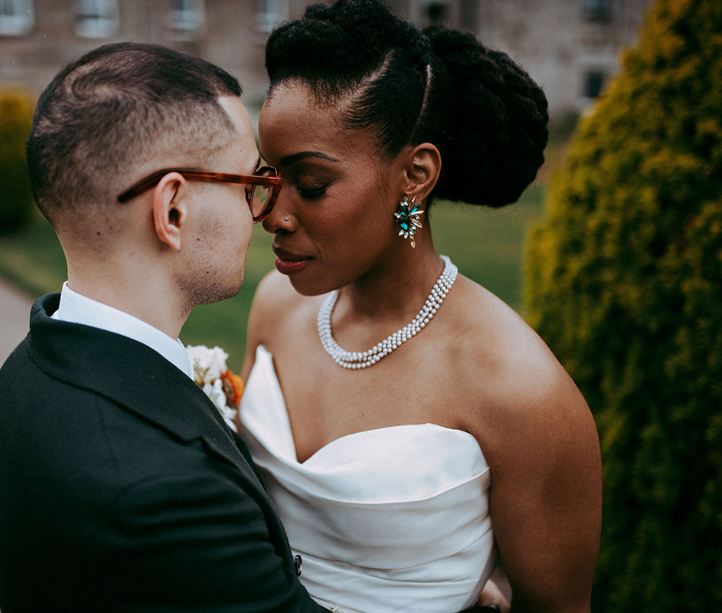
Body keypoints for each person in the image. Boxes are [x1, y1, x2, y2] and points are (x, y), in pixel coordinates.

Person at [239, 1, 603, 612]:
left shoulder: (521, 390)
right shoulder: (276, 306)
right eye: (268, 179)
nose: (272, 216)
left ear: (415, 174)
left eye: (311, 185)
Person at [0, 42, 329, 612]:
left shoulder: (27, 369)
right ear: (173, 211)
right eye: (250, 185)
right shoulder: (165, 493)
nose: (263, 215)